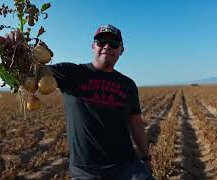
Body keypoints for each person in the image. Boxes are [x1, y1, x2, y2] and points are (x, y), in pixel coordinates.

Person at [48, 24, 155, 180]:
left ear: (121, 50)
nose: (107, 46)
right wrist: (16, 51)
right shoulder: (70, 73)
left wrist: (145, 157)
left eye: (114, 44)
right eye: (101, 42)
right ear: (93, 46)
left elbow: (136, 121)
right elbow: (37, 72)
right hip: (85, 170)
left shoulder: (128, 84)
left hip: (127, 166)